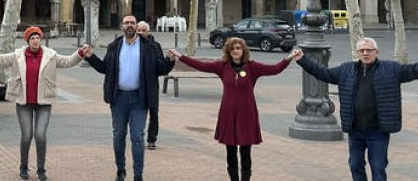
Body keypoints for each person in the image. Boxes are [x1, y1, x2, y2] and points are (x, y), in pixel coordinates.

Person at [296, 37, 418, 181]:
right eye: (362, 50)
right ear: (357, 53)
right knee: (355, 165)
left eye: (369, 50)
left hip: (378, 130)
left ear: (376, 52)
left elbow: (417, 70)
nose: (365, 53)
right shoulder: (345, 70)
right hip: (355, 130)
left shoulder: (391, 69)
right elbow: (322, 73)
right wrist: (302, 60)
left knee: (378, 167)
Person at [170, 40, 301, 181]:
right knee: (230, 151)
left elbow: (275, 69)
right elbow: (201, 66)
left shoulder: (252, 67)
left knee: (245, 151)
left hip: (247, 113)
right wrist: (181, 56)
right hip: (228, 113)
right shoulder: (222, 66)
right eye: (232, 49)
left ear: (243, 50)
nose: (235, 51)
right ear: (228, 51)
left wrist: (288, 57)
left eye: (238, 48)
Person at [0, 26, 89, 181]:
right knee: (27, 136)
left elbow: (67, 62)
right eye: (32, 38)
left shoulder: (50, 55)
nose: (35, 40)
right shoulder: (18, 55)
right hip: (24, 102)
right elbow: (0, 60)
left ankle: (41, 169)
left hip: (44, 102)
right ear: (28, 40)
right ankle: (23, 166)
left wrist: (80, 53)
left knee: (40, 135)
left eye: (37, 38)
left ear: (41, 40)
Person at [84, 15, 174, 181]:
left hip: (140, 99)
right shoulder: (114, 46)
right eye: (127, 23)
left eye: (133, 23)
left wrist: (170, 61)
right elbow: (105, 68)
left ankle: (138, 175)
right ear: (122, 26)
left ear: (136, 26)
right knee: (118, 135)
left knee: (137, 136)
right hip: (119, 99)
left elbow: (160, 69)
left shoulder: (149, 47)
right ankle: (121, 170)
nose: (130, 25)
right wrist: (91, 56)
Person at [134, 21, 163, 150]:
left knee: (154, 113)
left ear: (148, 32)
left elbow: (161, 67)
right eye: (138, 31)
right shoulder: (132, 46)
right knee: (137, 113)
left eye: (142, 31)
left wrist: (170, 61)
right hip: (136, 86)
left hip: (151, 86)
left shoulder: (155, 46)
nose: (140, 33)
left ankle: (152, 139)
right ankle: (137, 137)